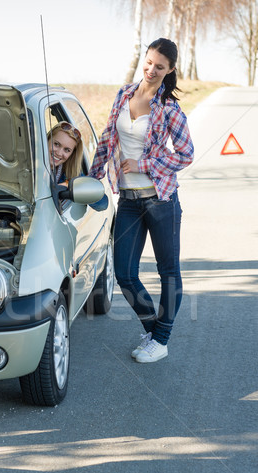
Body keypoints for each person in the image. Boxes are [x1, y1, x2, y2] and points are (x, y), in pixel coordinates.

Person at [89, 38, 194, 363]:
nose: (151, 70)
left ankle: (160, 340)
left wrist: (143, 165)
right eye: (148, 62)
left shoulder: (170, 108)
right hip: (130, 200)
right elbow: (108, 136)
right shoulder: (124, 94)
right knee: (124, 272)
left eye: (159, 67)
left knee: (168, 271)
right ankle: (154, 330)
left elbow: (186, 154)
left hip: (161, 200)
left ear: (170, 70)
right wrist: (91, 179)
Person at [47, 121, 83, 185]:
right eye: (56, 144)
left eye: (67, 150)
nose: (59, 153)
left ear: (72, 154)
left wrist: (68, 184)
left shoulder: (73, 175)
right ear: (47, 140)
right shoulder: (26, 163)